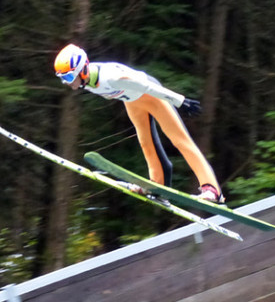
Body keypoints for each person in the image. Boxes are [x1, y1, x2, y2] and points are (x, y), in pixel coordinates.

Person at [54, 43, 224, 203]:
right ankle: (157, 185)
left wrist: (180, 101)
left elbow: (146, 86)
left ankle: (212, 190)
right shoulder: (87, 82)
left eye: (68, 76)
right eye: (63, 78)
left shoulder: (112, 77)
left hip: (151, 96)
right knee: (145, 143)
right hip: (132, 101)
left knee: (180, 140)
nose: (67, 83)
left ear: (82, 69)